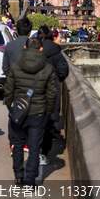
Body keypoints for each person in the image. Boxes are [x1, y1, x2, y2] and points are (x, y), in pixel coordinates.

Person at [4, 37, 57, 187]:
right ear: (41, 49)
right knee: (34, 147)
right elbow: (51, 94)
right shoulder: (47, 68)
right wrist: (46, 112)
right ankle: (30, 179)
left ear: (25, 48)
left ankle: (18, 176)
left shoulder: (15, 65)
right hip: (38, 112)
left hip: (19, 112)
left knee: (18, 144)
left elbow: (9, 89)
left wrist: (11, 107)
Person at [36, 26, 69, 165]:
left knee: (36, 122)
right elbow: (63, 70)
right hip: (50, 89)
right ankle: (44, 153)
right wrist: (55, 79)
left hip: (35, 89)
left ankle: (35, 150)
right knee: (48, 123)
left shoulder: (33, 47)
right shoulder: (55, 50)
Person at [2, 15, 33, 155]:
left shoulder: (10, 46)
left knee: (14, 113)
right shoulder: (34, 44)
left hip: (13, 85)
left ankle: (13, 142)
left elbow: (5, 67)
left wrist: (11, 79)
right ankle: (26, 142)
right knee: (28, 114)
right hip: (29, 85)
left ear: (17, 30)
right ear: (29, 32)